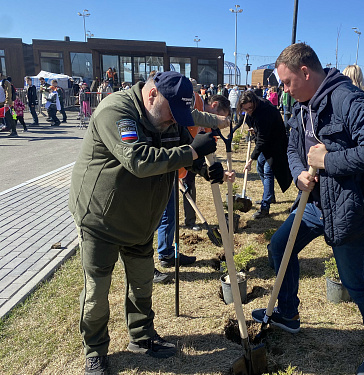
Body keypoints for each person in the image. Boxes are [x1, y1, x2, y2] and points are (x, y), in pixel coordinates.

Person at [69, 71, 232, 375]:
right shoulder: (116, 111)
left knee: (142, 285)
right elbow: (139, 160)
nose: (176, 120)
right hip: (101, 220)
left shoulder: (169, 117)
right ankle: (95, 351)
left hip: (142, 220)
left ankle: (141, 337)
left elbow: (183, 151)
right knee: (97, 293)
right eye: (174, 112)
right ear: (153, 95)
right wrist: (193, 150)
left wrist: (202, 168)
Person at [251, 43, 364, 375]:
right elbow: (293, 145)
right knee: (280, 247)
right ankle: (288, 312)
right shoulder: (303, 106)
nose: (284, 90)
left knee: (356, 283)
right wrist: (299, 172)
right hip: (315, 204)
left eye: (288, 82)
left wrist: (328, 161)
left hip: (351, 209)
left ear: (306, 72)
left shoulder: (349, 100)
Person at [157, 94, 232, 269]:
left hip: (173, 170)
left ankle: (167, 252)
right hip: (154, 176)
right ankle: (161, 256)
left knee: (169, 213)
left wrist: (206, 170)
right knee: (160, 217)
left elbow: (188, 142)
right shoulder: (186, 106)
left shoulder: (177, 119)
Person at [237, 90, 292, 219]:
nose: (249, 112)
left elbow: (262, 139)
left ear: (254, 102)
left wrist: (250, 159)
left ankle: (265, 207)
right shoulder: (255, 109)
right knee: (260, 167)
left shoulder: (264, 111)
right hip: (267, 141)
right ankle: (270, 196)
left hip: (275, 144)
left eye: (250, 108)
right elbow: (260, 131)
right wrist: (255, 129)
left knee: (268, 171)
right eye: (246, 110)